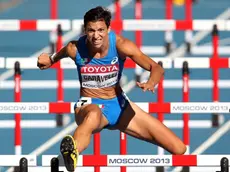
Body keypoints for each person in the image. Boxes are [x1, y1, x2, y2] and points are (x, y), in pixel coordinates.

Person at [37, 6, 186, 172]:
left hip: (119, 106)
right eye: (91, 30)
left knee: (179, 149)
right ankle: (72, 152)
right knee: (93, 115)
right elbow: (58, 55)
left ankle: (71, 151)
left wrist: (151, 82)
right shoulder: (75, 48)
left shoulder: (121, 45)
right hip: (89, 105)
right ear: (85, 30)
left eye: (100, 30)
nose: (96, 35)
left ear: (108, 28)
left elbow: (156, 67)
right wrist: (50, 60)